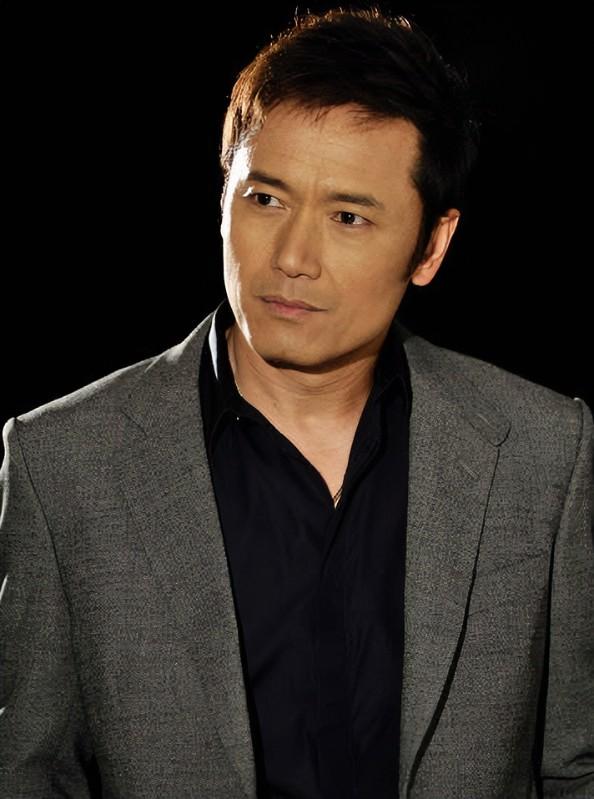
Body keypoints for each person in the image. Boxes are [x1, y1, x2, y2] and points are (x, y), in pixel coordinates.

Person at [1, 7, 592, 798]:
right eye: (266, 199)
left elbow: (575, 766)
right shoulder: (63, 462)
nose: (292, 258)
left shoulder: (544, 452)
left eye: (348, 216)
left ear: (432, 245)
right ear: (223, 198)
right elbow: (28, 774)